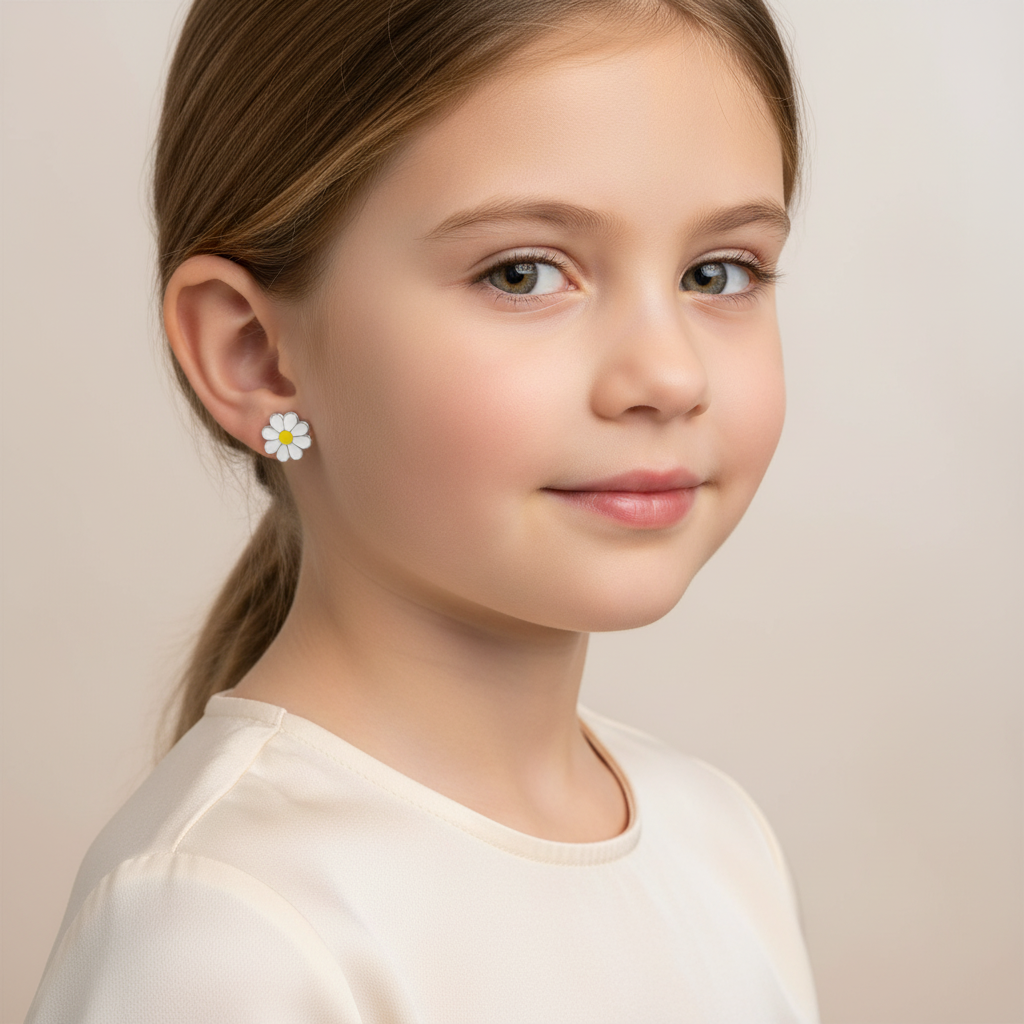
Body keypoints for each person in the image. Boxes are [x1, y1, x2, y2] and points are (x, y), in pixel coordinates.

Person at [25, 0, 819, 1019]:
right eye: (523, 273)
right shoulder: (225, 924)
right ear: (255, 355)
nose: (667, 374)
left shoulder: (718, 834)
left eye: (719, 272)